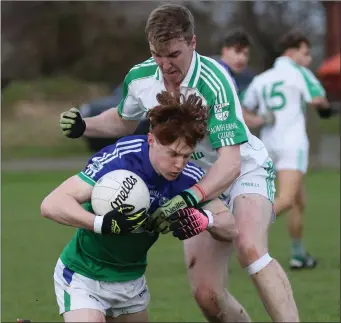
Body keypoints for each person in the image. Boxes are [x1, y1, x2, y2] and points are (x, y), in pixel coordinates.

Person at [59, 4, 299, 322]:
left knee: (250, 248)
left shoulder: (214, 81)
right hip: (190, 175)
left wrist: (189, 198)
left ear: (192, 43)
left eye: (173, 54)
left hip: (242, 168)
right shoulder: (142, 76)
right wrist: (84, 126)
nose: (165, 64)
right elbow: (122, 120)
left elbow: (230, 164)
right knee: (206, 295)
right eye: (158, 54)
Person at [42, 91, 238, 323]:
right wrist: (102, 223)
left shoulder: (189, 178)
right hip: (84, 275)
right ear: (151, 139)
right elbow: (52, 203)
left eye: (186, 156)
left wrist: (207, 220)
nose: (178, 164)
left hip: (131, 282)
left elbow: (231, 228)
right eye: (173, 154)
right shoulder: (123, 159)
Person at [241, 29, 332, 269]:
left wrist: (259, 119)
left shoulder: (262, 79)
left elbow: (242, 109)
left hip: (268, 145)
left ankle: (298, 254)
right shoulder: (299, 73)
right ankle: (241, 229)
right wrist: (326, 108)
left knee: (299, 200)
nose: (309, 59)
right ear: (292, 52)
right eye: (306, 53)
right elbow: (318, 100)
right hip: (292, 144)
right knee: (287, 198)